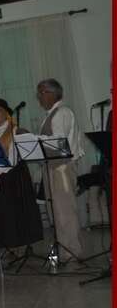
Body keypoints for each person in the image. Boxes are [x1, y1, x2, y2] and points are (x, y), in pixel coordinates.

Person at [0, 99, 42, 251]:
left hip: (12, 175)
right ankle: (2, 243)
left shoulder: (14, 130)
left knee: (13, 211)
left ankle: (17, 244)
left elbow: (13, 155)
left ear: (6, 113)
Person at [36, 78, 85, 262]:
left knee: (65, 211)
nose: (39, 96)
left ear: (53, 93)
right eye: (39, 93)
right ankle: (63, 250)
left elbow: (58, 141)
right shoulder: (51, 114)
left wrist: (34, 139)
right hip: (52, 167)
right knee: (54, 211)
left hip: (62, 168)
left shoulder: (62, 112)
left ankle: (72, 252)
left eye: (42, 92)